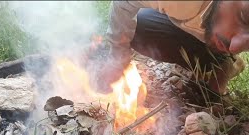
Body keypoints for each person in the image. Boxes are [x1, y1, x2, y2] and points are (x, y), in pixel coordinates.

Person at [99, 1, 247, 95]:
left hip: (208, 32)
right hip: (187, 9)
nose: (235, 47)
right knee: (138, 28)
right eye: (244, 17)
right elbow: (124, 3)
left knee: (222, 42)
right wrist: (118, 57)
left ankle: (225, 62)